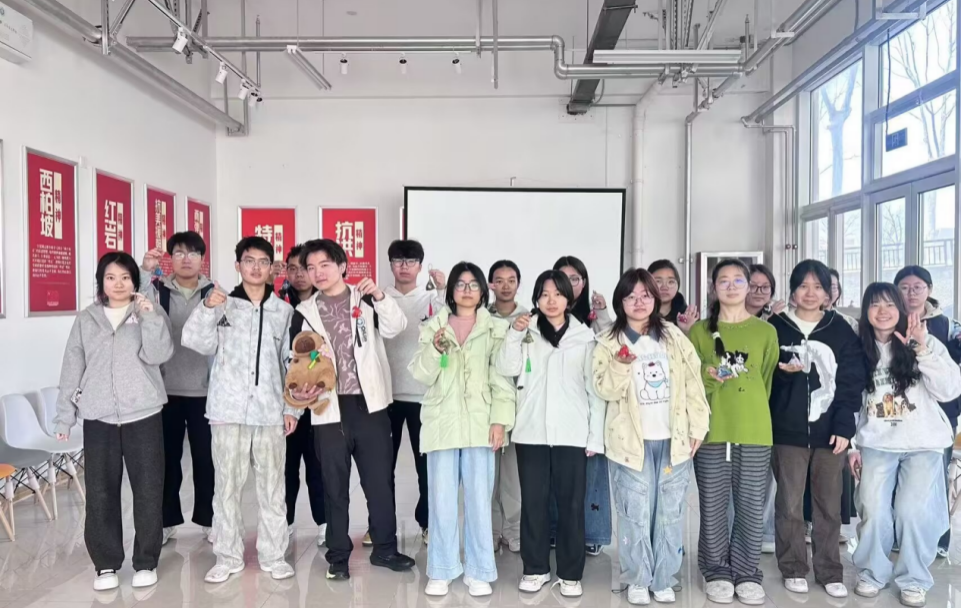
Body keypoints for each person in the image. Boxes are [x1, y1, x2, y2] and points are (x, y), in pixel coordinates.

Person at [288, 239, 415, 580]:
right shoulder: (304, 313)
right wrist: (301, 392)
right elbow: (296, 362)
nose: (317, 273)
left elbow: (396, 327)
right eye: (310, 267)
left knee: (378, 482)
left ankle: (385, 548)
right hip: (328, 409)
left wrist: (381, 297)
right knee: (334, 485)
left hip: (369, 405)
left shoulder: (366, 299)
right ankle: (338, 556)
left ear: (342, 266)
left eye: (324, 265)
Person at [182, 237, 299, 584]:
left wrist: (292, 409)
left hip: (269, 413)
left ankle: (274, 555)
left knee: (273, 488)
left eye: (263, 261)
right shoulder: (222, 305)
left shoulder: (283, 312)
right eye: (249, 261)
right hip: (227, 411)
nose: (256, 267)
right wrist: (206, 309)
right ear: (238, 265)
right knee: (226, 488)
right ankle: (228, 556)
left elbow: (291, 364)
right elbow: (195, 341)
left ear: (272, 267)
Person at [55, 252, 173, 591]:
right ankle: (105, 564)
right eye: (110, 277)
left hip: (144, 414)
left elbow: (159, 355)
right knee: (100, 492)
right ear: (101, 282)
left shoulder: (148, 311)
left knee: (148, 491)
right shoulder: (86, 319)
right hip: (99, 417)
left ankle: (146, 561)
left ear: (135, 281)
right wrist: (64, 416)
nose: (118, 284)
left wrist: (149, 317)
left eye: (125, 277)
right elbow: (72, 367)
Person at [593, 269, 711, 606]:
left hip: (673, 442)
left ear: (655, 299)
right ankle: (637, 579)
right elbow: (602, 389)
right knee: (634, 513)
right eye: (631, 296)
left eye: (645, 295)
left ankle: (664, 578)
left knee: (670, 512)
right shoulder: (608, 341)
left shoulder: (673, 337)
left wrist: (698, 426)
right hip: (630, 444)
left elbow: (693, 383)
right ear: (620, 302)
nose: (639, 302)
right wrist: (619, 365)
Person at [849, 283, 960, 608]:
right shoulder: (858, 348)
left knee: (913, 512)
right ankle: (872, 573)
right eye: (875, 305)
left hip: (923, 443)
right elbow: (851, 400)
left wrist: (922, 349)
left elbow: (950, 389)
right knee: (872, 508)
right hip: (876, 443)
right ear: (866, 311)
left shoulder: (925, 341)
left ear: (900, 309)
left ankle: (913, 578)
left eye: (889, 304)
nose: (882, 311)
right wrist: (853, 446)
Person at [495, 270, 604, 598]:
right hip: (531, 432)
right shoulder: (526, 331)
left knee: (571, 505)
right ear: (536, 300)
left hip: (572, 432)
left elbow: (594, 390)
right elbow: (507, 368)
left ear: (569, 299)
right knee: (533, 503)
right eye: (544, 294)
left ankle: (571, 573)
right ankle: (535, 568)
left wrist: (594, 436)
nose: (551, 300)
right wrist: (514, 335)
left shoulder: (584, 338)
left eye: (558, 294)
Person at [409, 262, 515, 598]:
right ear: (451, 291)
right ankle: (441, 569)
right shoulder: (434, 326)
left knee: (479, 501)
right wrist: (435, 349)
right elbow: (420, 374)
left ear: (483, 291)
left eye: (473, 285)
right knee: (441, 501)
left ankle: (479, 570)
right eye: (460, 284)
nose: (467, 290)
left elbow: (502, 379)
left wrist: (500, 421)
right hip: (441, 422)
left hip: (480, 424)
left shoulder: (495, 329)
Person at [768, 260, 864, 599]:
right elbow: (765, 378)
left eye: (818, 287)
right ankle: (793, 567)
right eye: (803, 286)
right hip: (787, 431)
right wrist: (783, 375)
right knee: (789, 503)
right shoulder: (776, 326)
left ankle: (829, 570)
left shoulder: (841, 329)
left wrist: (844, 426)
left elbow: (851, 381)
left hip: (830, 432)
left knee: (828, 506)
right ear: (793, 291)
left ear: (828, 293)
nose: (811, 293)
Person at [689, 259, 779, 606]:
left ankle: (746, 572)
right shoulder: (699, 332)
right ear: (713, 288)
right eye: (723, 281)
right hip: (712, 429)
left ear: (748, 285)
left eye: (738, 280)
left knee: (751, 505)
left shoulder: (765, 332)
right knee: (712, 504)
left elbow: (765, 380)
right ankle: (716, 571)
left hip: (754, 427)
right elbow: (691, 382)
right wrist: (710, 375)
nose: (730, 286)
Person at [139, 232, 217, 547]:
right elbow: (134, 300)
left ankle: (210, 520)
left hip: (205, 392)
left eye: (193, 253)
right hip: (165, 391)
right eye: (180, 253)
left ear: (202, 259)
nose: (187, 259)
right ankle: (166, 521)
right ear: (170, 258)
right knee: (166, 460)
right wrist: (145, 269)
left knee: (206, 460)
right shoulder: (157, 290)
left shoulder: (214, 293)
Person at [895, 265, 961, 559]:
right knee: (899, 479)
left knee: (937, 479)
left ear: (929, 290)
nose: (911, 293)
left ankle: (939, 540)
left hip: (939, 414)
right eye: (904, 287)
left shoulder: (946, 326)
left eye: (918, 287)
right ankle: (900, 535)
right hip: (899, 414)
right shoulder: (888, 319)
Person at [382, 240, 446, 546]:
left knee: (426, 468)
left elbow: (450, 325)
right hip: (386, 397)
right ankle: (382, 525)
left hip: (423, 396)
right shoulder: (378, 299)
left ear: (421, 266)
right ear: (390, 265)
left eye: (410, 261)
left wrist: (443, 290)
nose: (404, 266)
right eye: (398, 260)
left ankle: (428, 522)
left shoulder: (432, 298)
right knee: (382, 468)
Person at [553, 255, 612, 556]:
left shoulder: (593, 314)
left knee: (592, 472)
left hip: (590, 401)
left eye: (574, 279)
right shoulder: (547, 313)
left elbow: (611, 344)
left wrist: (601, 314)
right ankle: (555, 530)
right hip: (558, 404)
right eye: (562, 278)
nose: (568, 284)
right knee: (557, 473)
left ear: (584, 282)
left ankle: (593, 532)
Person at [279, 245, 326, 546]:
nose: (298, 275)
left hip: (319, 399)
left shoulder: (325, 305)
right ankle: (285, 522)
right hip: (287, 401)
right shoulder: (279, 305)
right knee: (286, 466)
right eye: (292, 268)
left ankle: (324, 522)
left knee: (318, 465)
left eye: (304, 268)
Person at [488, 260, 528, 554]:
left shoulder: (528, 318)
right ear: (491, 284)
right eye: (499, 280)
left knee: (513, 475)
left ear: (518, 283)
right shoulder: (481, 316)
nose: (505, 286)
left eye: (511, 280)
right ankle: (490, 531)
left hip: (520, 405)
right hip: (488, 404)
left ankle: (513, 530)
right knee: (488, 474)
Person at [648, 259, 700, 334]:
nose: (664, 287)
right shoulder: (640, 315)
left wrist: (686, 331)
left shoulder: (688, 318)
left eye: (671, 282)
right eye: (658, 281)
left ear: (677, 285)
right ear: (647, 284)